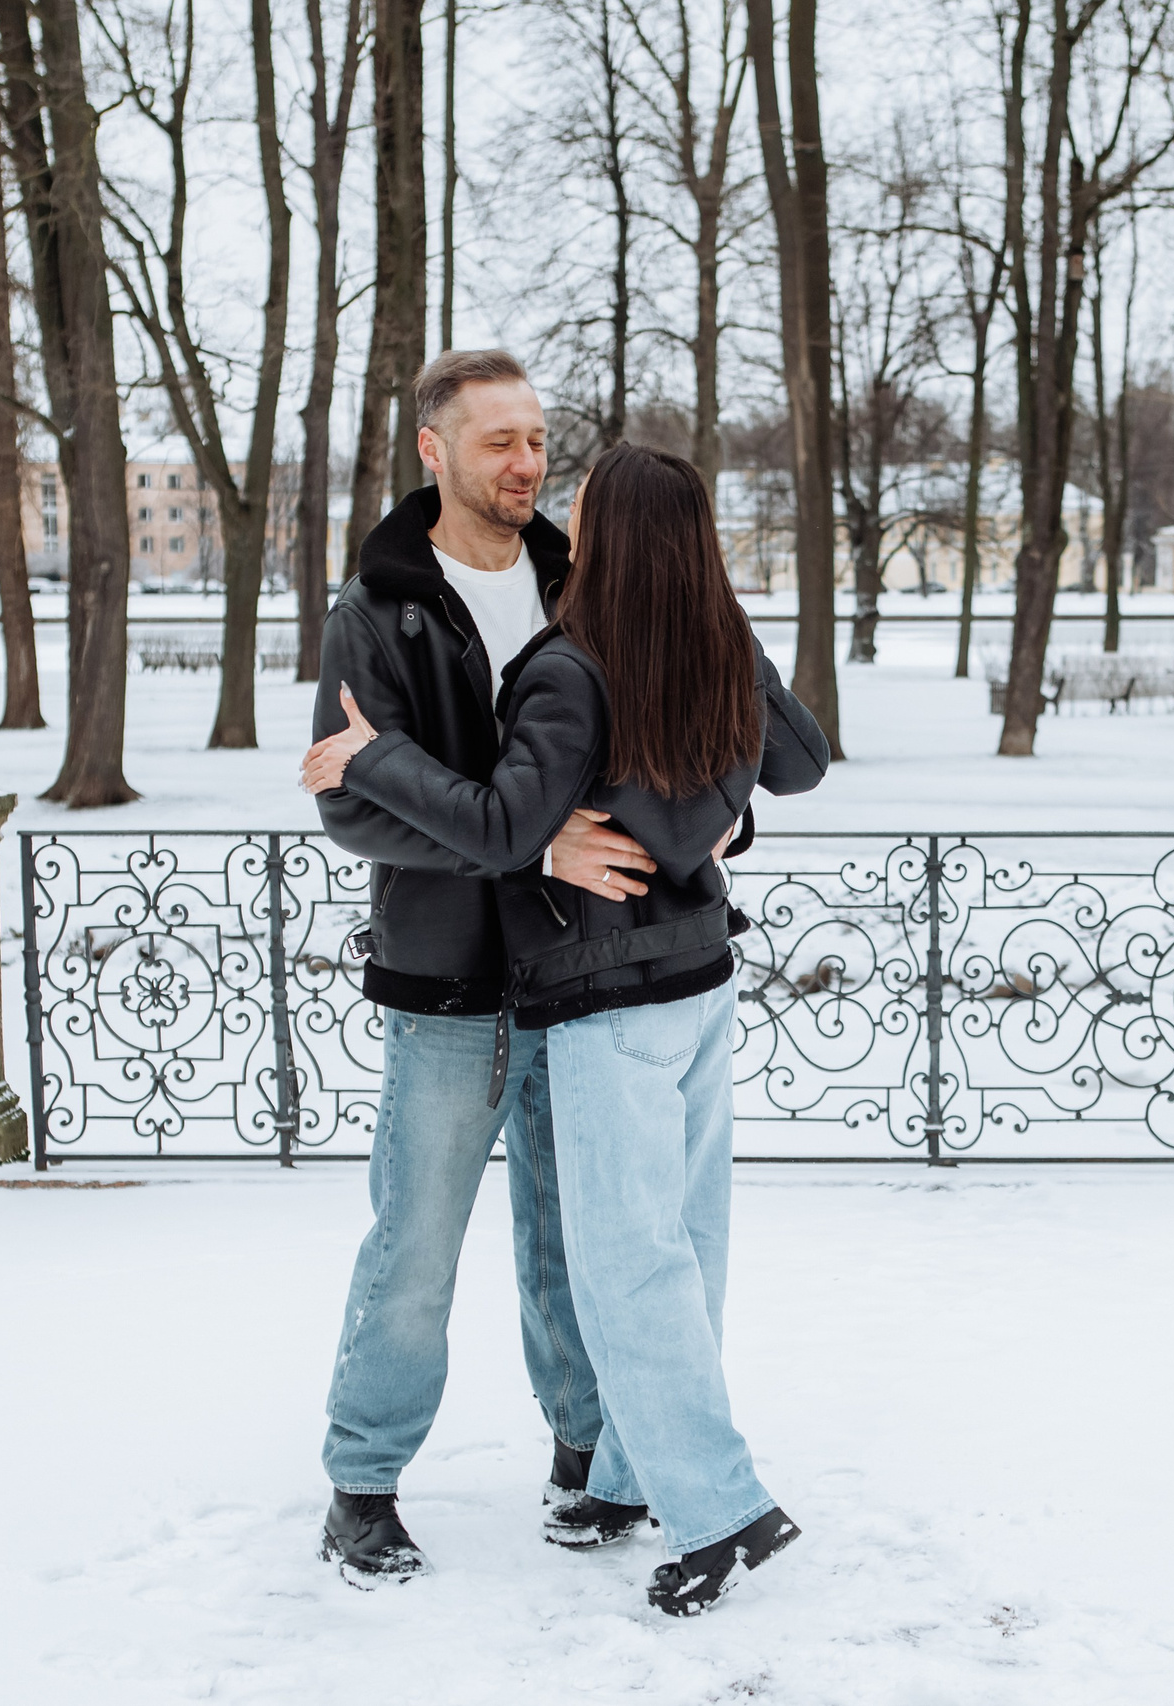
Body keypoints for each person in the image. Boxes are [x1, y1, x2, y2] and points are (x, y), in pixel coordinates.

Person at [301, 442, 830, 1617]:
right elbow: (796, 763)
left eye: (582, 503)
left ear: (616, 539)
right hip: (698, 985)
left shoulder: (567, 665)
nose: (559, 508)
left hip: (605, 999)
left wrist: (373, 755)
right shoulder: (697, 644)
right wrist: (727, 652)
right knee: (683, 1247)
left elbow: (501, 827)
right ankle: (635, 1478)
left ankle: (719, 1504)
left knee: (626, 1262)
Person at [307, 350, 663, 1585]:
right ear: (433, 449)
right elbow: (351, 808)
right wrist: (528, 836)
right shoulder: (379, 605)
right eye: (499, 441)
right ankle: (361, 1479)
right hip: (445, 982)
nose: (526, 464)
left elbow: (670, 739)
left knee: (575, 1234)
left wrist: (725, 817)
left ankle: (583, 1453)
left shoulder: (586, 584)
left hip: (582, 978)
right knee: (415, 1243)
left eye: (536, 439)